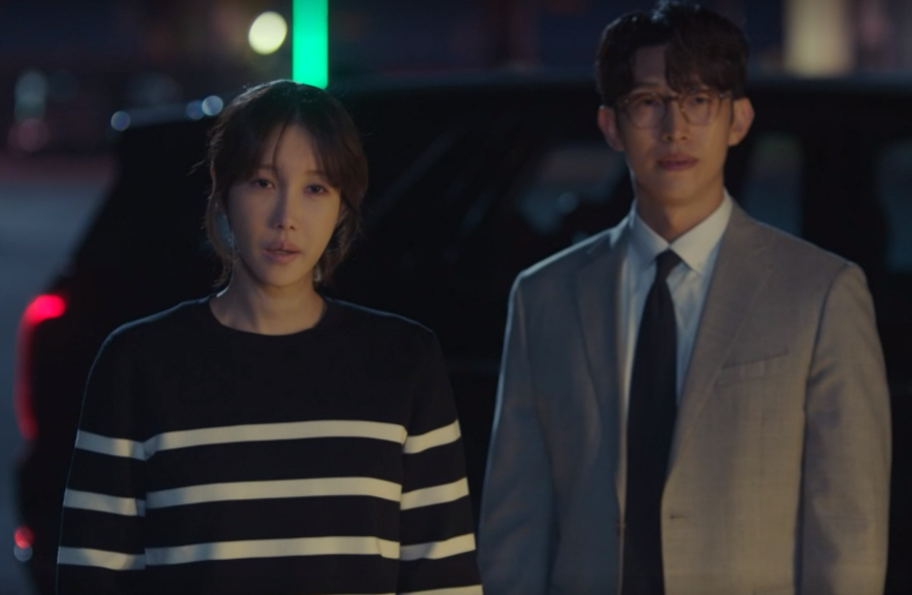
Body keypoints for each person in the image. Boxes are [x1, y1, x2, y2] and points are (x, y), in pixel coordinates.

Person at [478, 2, 891, 594]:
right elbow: (516, 522)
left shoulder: (821, 292)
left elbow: (848, 527)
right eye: (649, 102)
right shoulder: (544, 295)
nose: (674, 128)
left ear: (738, 119)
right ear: (611, 126)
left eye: (699, 100)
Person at [56, 80, 483, 595]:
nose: (286, 218)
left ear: (342, 206)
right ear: (222, 192)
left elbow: (442, 577)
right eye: (262, 182)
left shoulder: (405, 361)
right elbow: (92, 575)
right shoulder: (137, 363)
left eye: (316, 188)